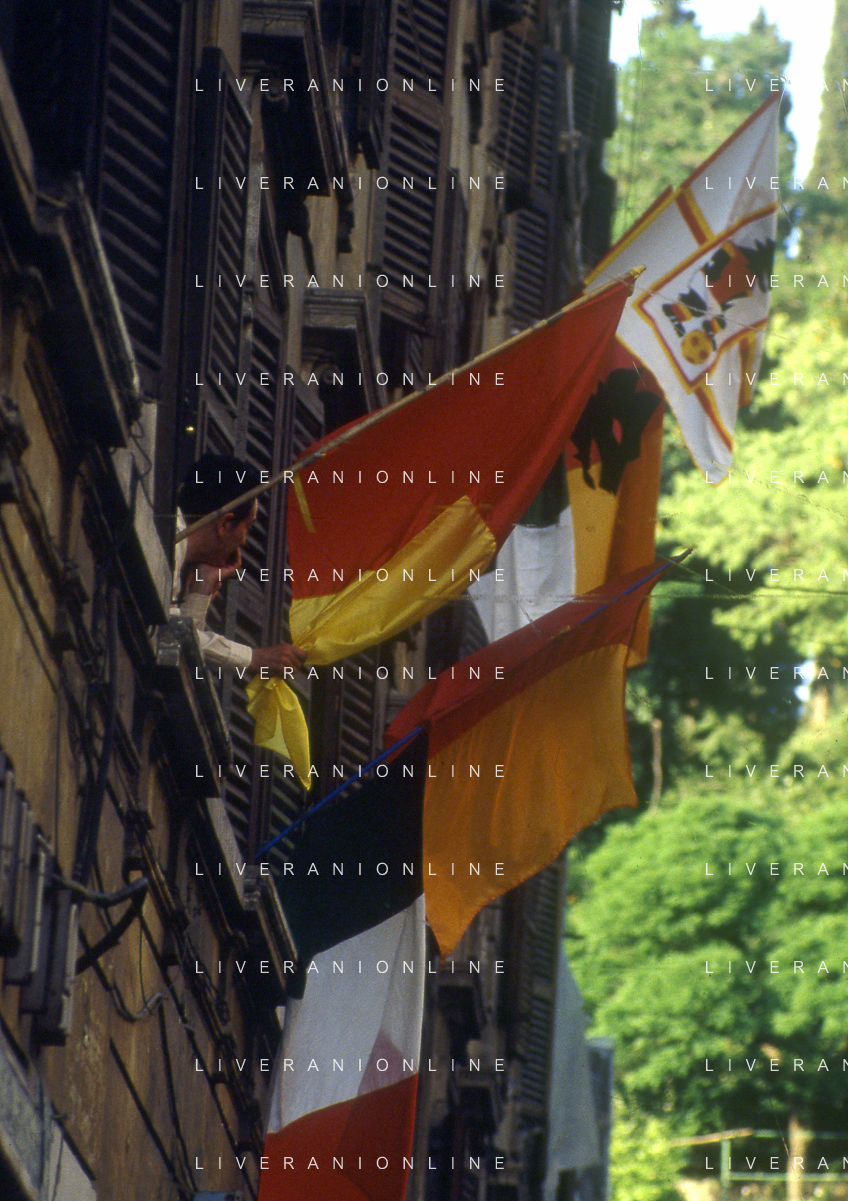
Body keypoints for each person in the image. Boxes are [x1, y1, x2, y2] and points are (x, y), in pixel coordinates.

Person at [173, 453, 306, 675]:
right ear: (225, 524)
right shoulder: (170, 544)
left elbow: (182, 646)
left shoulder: (175, 543)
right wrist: (254, 658)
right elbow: (175, 636)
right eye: (248, 527)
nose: (244, 541)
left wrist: (202, 587)